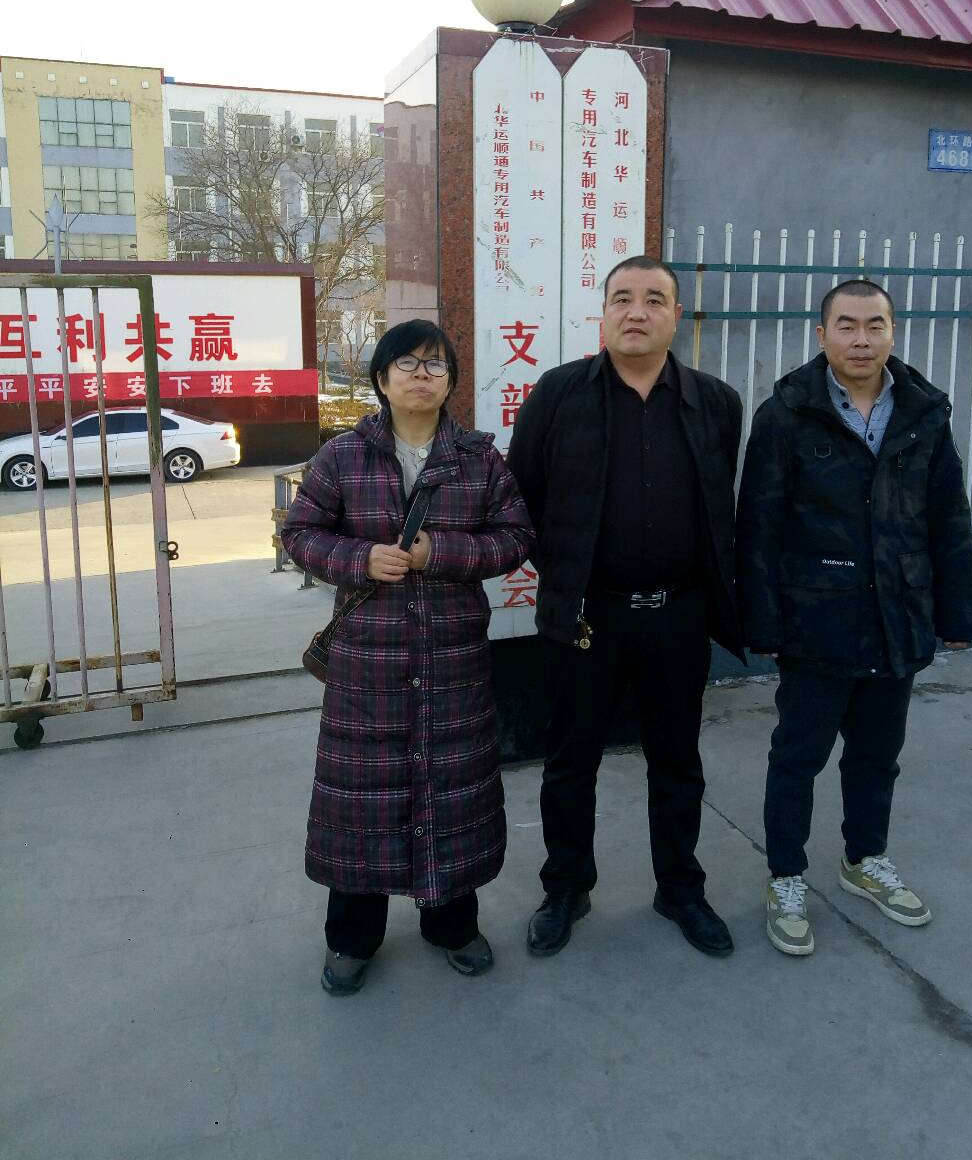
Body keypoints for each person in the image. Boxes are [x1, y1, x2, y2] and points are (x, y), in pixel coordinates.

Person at [281, 320, 534, 994]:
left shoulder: (478, 460)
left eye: (436, 364)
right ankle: (351, 937)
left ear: (451, 381)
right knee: (361, 803)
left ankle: (451, 926)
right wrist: (359, 558)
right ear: (382, 378)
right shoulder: (342, 456)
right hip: (368, 664)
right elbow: (299, 533)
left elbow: (515, 537)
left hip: (453, 660)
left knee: (451, 795)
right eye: (407, 363)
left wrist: (438, 553)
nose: (422, 375)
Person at [736, 279, 972, 957]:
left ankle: (864, 858)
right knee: (798, 757)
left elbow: (949, 516)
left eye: (875, 325)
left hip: (897, 615)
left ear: (892, 332)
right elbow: (759, 524)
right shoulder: (787, 414)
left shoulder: (924, 413)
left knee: (877, 755)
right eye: (846, 325)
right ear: (822, 335)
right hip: (815, 620)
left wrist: (958, 609)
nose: (862, 339)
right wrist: (763, 621)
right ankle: (787, 876)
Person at [507, 257, 743, 959]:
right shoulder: (559, 395)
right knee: (569, 762)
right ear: (604, 312)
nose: (637, 312)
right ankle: (566, 888)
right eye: (622, 298)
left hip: (679, 616)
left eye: (654, 299)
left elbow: (719, 505)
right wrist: (567, 576)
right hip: (587, 617)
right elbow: (523, 497)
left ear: (676, 315)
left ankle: (681, 889)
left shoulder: (715, 402)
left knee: (677, 761)